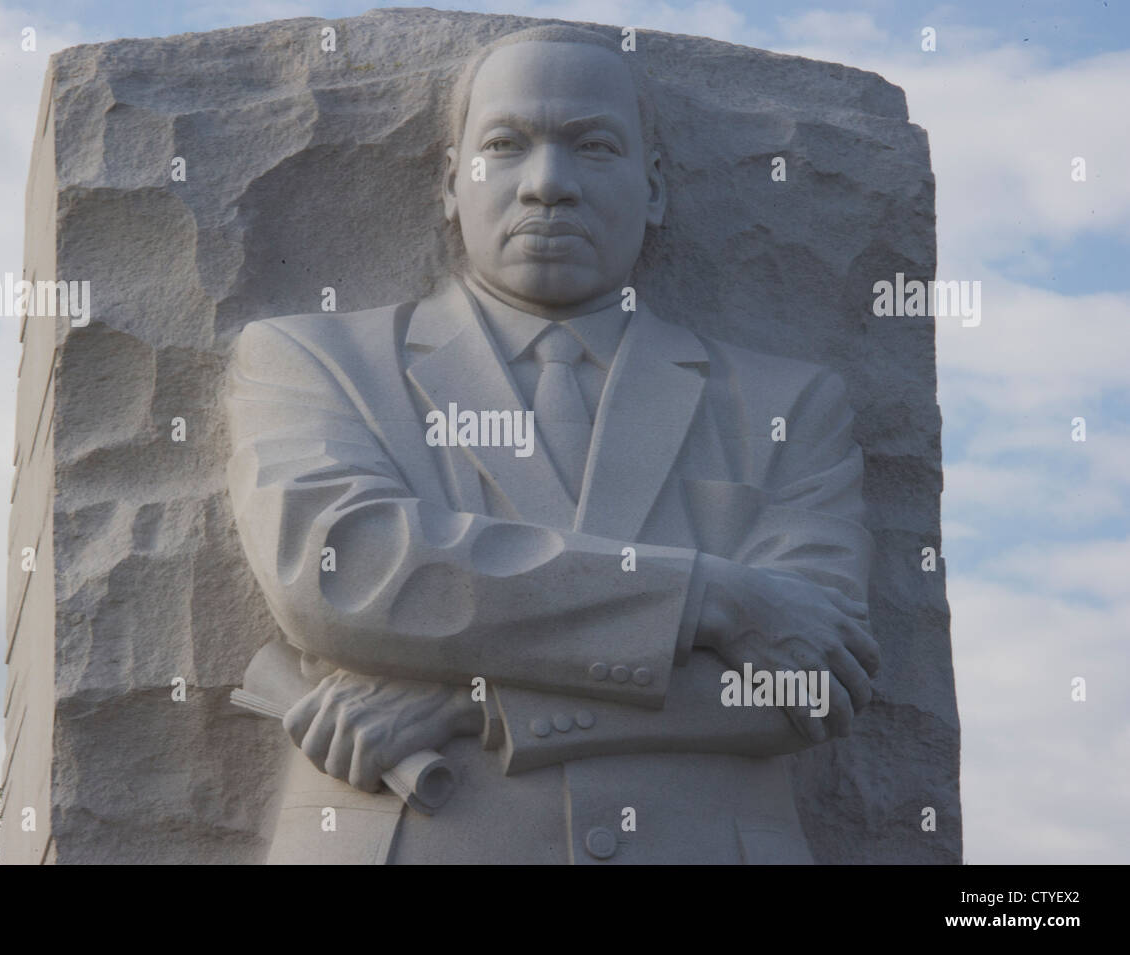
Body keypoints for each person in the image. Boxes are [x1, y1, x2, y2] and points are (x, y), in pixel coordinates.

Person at [225, 24, 878, 864]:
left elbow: (810, 681)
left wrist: (474, 699)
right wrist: (711, 599)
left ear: (654, 190)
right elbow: (346, 572)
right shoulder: (315, 362)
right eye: (504, 145)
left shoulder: (788, 404)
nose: (548, 186)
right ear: (450, 186)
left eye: (593, 146)